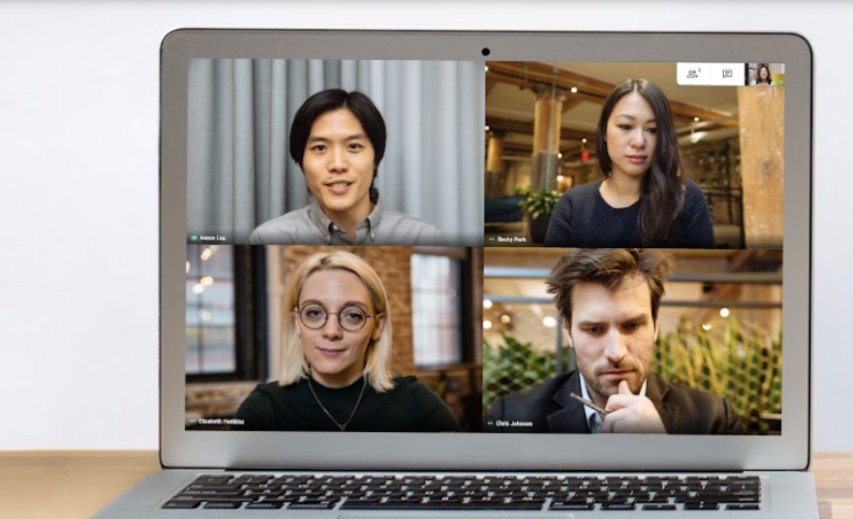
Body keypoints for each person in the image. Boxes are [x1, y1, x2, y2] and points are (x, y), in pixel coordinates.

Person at [486, 248, 742, 434]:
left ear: (655, 327)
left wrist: (664, 451)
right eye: (594, 329)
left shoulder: (712, 419)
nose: (616, 352)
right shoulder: (511, 418)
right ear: (569, 332)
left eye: (632, 326)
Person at [236, 251, 460, 432]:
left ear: (377, 327)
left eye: (353, 315)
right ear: (297, 322)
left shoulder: (417, 404)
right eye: (314, 313)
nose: (332, 331)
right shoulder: (264, 408)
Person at [248, 89, 441, 245]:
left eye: (354, 146)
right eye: (320, 148)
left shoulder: (422, 237)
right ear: (300, 163)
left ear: (376, 157)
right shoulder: (270, 237)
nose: (337, 165)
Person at [544, 79, 714, 249]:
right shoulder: (573, 204)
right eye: (626, 126)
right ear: (604, 131)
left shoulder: (686, 198)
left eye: (652, 130)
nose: (639, 142)